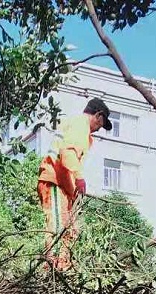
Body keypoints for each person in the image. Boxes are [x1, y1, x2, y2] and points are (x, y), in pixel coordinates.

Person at [37, 97, 112, 271]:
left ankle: (64, 266)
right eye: (102, 124)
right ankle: (54, 270)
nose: (100, 128)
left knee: (71, 228)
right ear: (98, 116)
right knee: (58, 228)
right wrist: (79, 178)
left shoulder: (79, 128)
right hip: (54, 181)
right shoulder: (80, 125)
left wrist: (73, 194)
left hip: (63, 185)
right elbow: (67, 153)